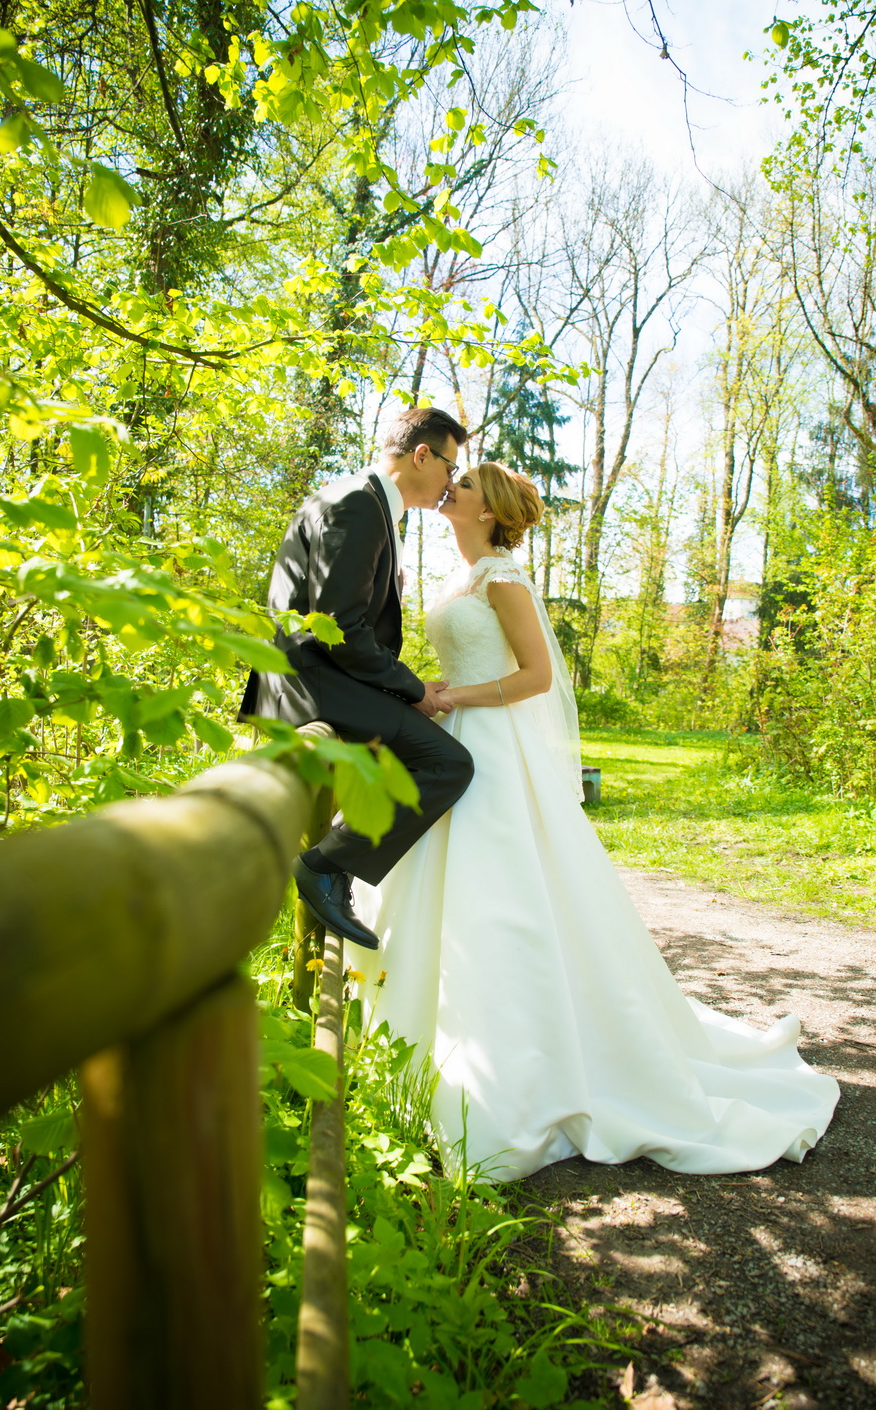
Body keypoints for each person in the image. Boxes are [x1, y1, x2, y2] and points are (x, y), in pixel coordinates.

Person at [355, 461, 840, 1181]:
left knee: (500, 895)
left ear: (490, 512)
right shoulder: (460, 579)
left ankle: (522, 1071)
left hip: (493, 744)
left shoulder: (503, 578)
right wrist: (428, 693)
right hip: (452, 737)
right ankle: (423, 1050)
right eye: (450, 481)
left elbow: (535, 678)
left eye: (467, 485)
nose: (450, 487)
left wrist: (454, 699)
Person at [239, 407, 475, 950]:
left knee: (408, 763)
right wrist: (414, 690)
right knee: (448, 762)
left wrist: (401, 688)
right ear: (422, 455)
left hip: (319, 676)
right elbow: (338, 629)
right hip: (312, 681)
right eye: (448, 466)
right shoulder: (359, 507)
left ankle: (338, 868)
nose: (449, 482)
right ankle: (323, 866)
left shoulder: (359, 500)